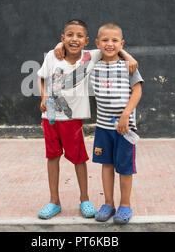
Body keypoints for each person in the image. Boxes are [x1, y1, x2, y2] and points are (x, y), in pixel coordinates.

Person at [37, 19, 138, 219]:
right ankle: (54, 201)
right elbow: (41, 77)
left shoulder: (90, 56)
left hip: (73, 120)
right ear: (62, 37)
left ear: (87, 41)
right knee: (52, 157)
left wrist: (127, 55)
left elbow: (113, 47)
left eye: (79, 36)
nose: (74, 39)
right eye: (69, 35)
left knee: (79, 159)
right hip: (49, 118)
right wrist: (44, 96)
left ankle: (85, 199)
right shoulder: (52, 55)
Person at [90, 23, 143, 224]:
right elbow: (75, 50)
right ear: (97, 43)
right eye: (105, 40)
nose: (109, 44)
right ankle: (109, 203)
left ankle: (125, 205)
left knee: (125, 167)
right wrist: (59, 48)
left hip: (124, 127)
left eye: (114, 41)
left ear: (122, 43)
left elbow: (137, 91)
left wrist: (125, 115)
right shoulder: (93, 66)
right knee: (106, 165)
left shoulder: (128, 66)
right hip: (103, 127)